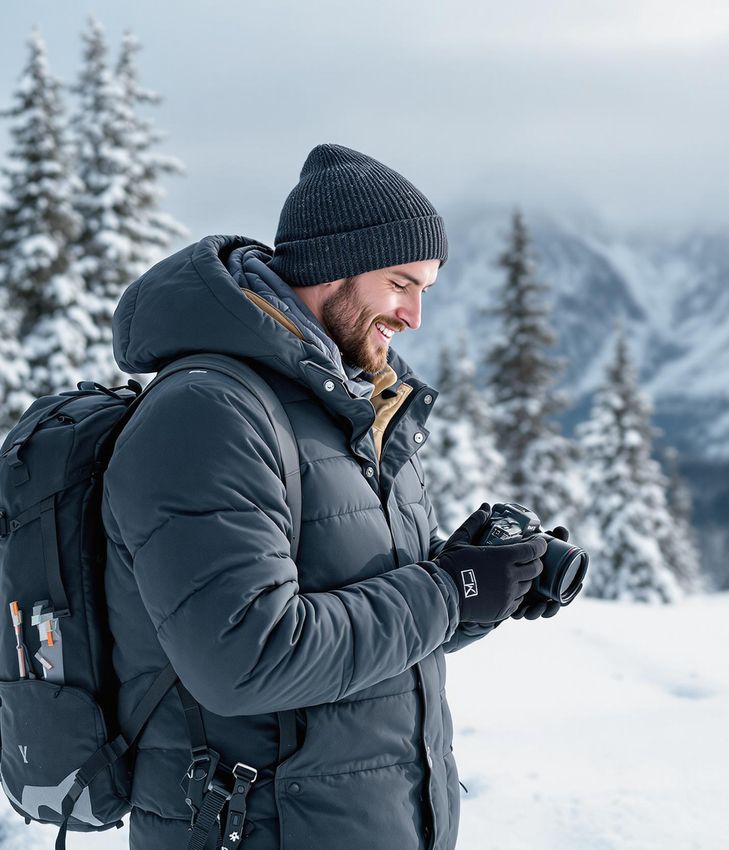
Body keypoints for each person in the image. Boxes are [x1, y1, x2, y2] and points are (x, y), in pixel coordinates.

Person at [101, 143, 558, 850]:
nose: (413, 316)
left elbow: (373, 621)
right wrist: (447, 592)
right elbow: (247, 658)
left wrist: (485, 592)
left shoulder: (353, 406)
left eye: (424, 290)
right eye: (400, 283)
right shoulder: (208, 414)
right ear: (329, 268)